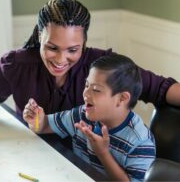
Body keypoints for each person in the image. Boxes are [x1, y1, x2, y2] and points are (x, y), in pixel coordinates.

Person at [0, 0, 180, 135]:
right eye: (52, 47)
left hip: (90, 164)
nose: (61, 59)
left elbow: (160, 87)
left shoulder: (104, 66)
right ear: (40, 36)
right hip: (33, 157)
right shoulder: (18, 64)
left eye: (73, 50)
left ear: (84, 42)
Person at [23, 54, 155, 181]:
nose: (86, 93)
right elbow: (44, 125)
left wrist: (102, 153)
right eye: (86, 85)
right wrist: (36, 120)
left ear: (122, 98)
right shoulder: (82, 115)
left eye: (96, 89)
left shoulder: (140, 142)